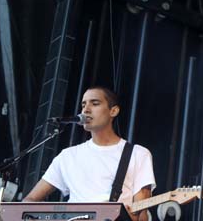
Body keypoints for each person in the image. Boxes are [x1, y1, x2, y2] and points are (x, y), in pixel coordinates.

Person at [24, 86, 156, 221]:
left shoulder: (138, 154)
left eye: (95, 103)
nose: (86, 110)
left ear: (113, 111)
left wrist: (132, 217)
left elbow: (142, 214)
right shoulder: (67, 156)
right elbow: (29, 200)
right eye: (83, 105)